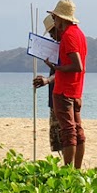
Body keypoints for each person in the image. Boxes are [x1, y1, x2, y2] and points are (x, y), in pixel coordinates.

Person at [43, 0, 86, 168]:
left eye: (55, 18)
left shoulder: (68, 35)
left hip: (64, 91)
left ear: (61, 18)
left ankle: (68, 171)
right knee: (77, 131)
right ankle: (76, 169)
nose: (55, 21)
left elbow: (77, 66)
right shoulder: (79, 33)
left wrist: (56, 67)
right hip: (75, 90)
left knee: (69, 133)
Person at [32, 14, 62, 158]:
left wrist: (47, 80)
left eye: (52, 32)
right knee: (56, 135)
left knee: (63, 134)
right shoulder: (58, 47)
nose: (52, 36)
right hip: (54, 96)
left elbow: (64, 73)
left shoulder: (65, 46)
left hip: (62, 96)